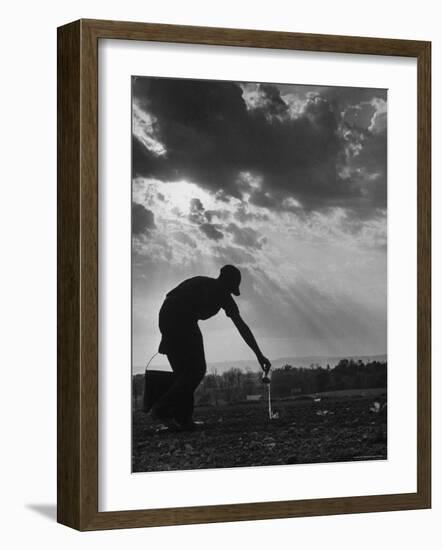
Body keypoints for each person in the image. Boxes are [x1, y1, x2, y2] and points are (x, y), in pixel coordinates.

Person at [151, 265, 271, 430]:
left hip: (174, 318)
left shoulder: (223, 296)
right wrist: (168, 334)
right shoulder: (203, 285)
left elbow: (241, 326)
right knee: (197, 369)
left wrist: (259, 355)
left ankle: (184, 420)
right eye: (229, 288)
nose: (229, 293)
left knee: (184, 373)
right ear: (224, 281)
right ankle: (162, 409)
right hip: (176, 317)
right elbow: (174, 302)